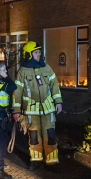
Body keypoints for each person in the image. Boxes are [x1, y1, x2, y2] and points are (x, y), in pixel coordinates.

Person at [12, 41, 63, 172]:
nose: (38, 54)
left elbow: (54, 86)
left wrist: (58, 102)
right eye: (35, 52)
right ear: (29, 54)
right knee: (33, 138)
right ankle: (36, 161)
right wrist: (16, 110)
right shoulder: (22, 71)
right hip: (31, 111)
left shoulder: (47, 68)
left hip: (48, 110)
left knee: (50, 136)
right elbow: (17, 91)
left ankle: (52, 162)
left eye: (39, 52)